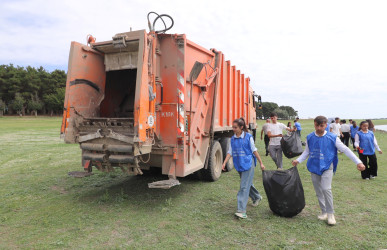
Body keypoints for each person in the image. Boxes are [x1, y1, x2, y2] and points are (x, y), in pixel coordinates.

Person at [292, 116, 365, 226]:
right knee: (318, 191)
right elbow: (307, 152)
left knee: (326, 189)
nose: (319, 128)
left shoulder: (332, 137)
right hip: (314, 167)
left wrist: (358, 162)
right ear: (314, 124)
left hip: (327, 166)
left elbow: (345, 149)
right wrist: (298, 160)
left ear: (326, 125)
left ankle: (331, 214)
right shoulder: (310, 137)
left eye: (322, 126)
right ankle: (324, 211)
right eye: (317, 125)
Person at [222, 118, 265, 219]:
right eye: (233, 127)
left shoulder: (248, 137)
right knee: (247, 183)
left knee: (243, 187)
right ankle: (257, 197)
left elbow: (254, 150)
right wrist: (224, 162)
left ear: (241, 127)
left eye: (235, 127)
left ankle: (241, 211)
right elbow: (230, 152)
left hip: (248, 165)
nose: (233, 129)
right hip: (239, 165)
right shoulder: (233, 138)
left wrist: (261, 163)